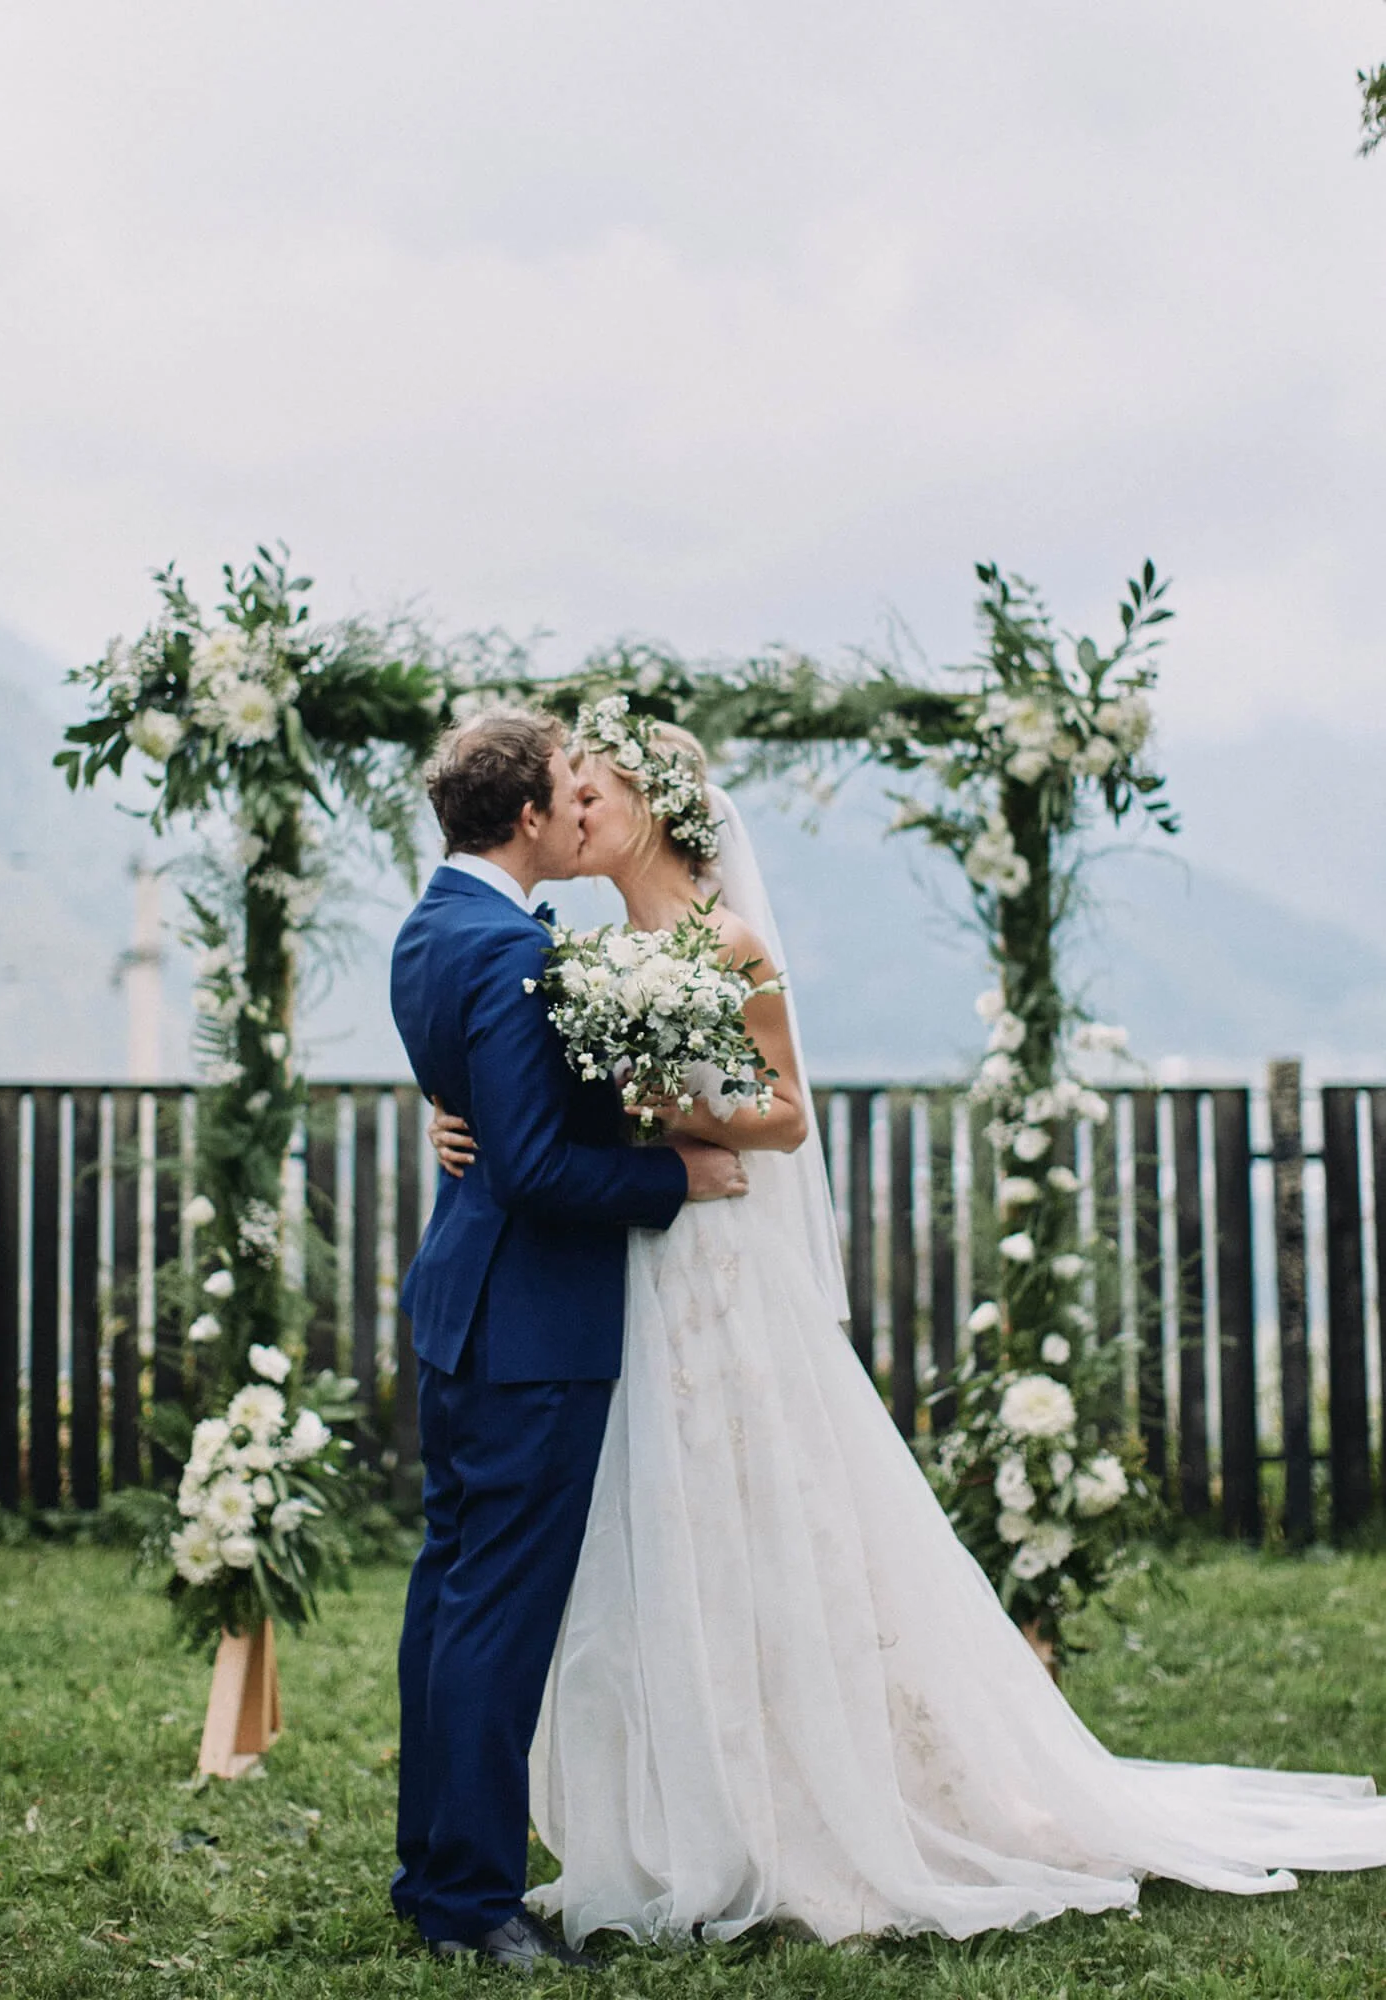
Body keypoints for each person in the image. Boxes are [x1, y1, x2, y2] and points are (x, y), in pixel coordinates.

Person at [429, 710, 1386, 1950]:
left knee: (761, 1499)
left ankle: (809, 1801)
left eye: (596, 793)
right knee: (657, 1515)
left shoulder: (727, 939)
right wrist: (456, 1120)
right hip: (634, 1269)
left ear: (653, 805)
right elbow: (523, 1092)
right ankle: (683, 1803)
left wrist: (677, 1119)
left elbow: (785, 1119)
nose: (578, 812)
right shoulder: (593, 951)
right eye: (572, 795)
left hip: (720, 1256)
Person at [388, 705, 749, 1971]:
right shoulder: (510, 952)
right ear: (531, 815)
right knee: (495, 1611)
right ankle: (471, 1899)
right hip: (530, 1328)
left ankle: (429, 1867)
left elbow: (481, 1107)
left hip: (459, 1314)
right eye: (565, 788)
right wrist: (672, 1182)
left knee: (448, 1597)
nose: (578, 803)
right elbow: (536, 1167)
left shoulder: (432, 927)